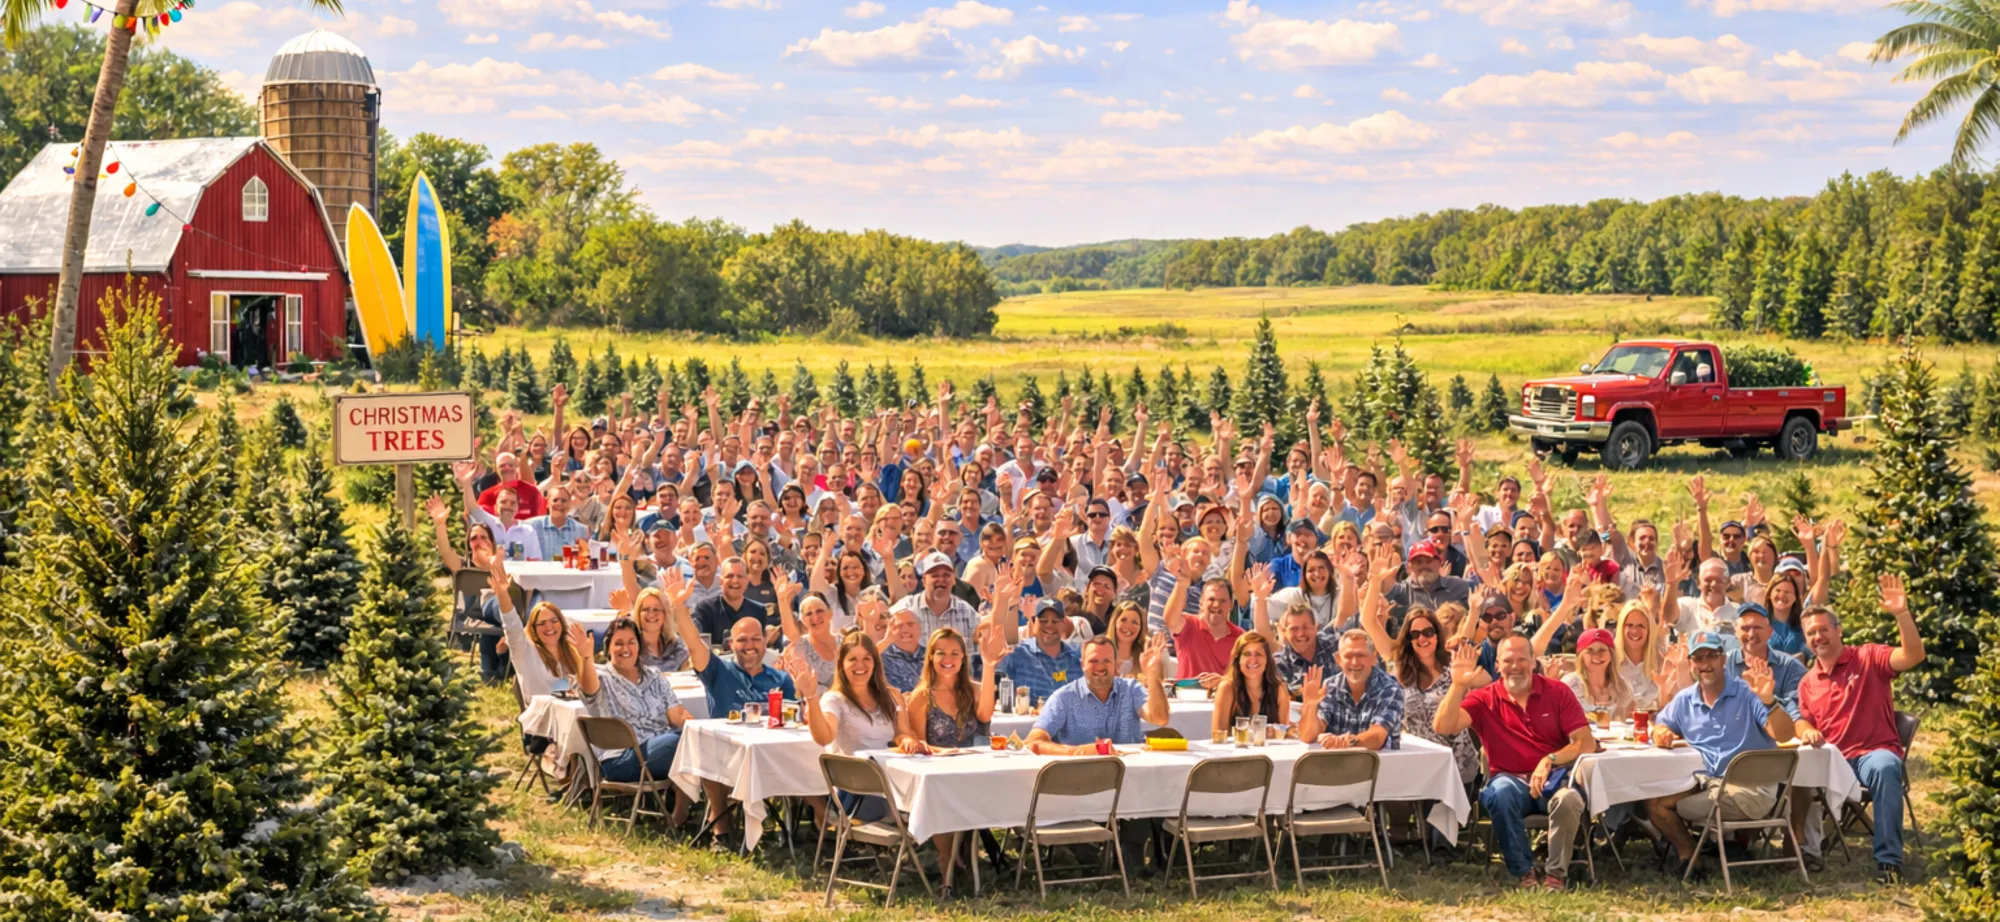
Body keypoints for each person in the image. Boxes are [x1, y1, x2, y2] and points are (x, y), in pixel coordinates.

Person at [1434, 636, 1597, 890]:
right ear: (1497, 665)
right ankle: (1524, 872)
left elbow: (1585, 743)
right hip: (1509, 779)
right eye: (1508, 660)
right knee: (1500, 793)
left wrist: (1550, 759)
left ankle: (1556, 875)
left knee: (1570, 799)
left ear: (1534, 661)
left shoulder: (1557, 691)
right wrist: (1457, 685)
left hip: (1553, 777)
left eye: (1522, 659)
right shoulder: (1484, 698)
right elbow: (1443, 725)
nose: (1516, 665)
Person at [1792, 575, 1925, 883]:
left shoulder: (1867, 657)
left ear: (1838, 631)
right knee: (1792, 769)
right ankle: (1803, 852)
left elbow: (1914, 656)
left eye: (1824, 629)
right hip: (1832, 760)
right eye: (1811, 633)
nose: (1818, 637)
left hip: (1871, 754)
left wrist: (1902, 615)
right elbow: (1803, 719)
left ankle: (1888, 863)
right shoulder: (1807, 682)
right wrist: (1804, 730)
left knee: (1886, 766)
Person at [1645, 630, 1795, 880]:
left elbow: (1783, 734)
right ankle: (1690, 857)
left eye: (1712, 656)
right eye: (1698, 657)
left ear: (1723, 659)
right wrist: (1661, 732)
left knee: (1672, 805)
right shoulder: (1685, 700)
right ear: (1692, 663)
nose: (1705, 664)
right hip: (1710, 784)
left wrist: (1769, 701)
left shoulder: (1749, 692)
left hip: (1753, 790)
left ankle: (1692, 861)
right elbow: (1660, 724)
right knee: (1653, 802)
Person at [668, 570, 796, 841]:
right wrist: (678, 606)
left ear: (764, 642)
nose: (749, 645)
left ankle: (822, 827)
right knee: (711, 750)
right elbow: (692, 644)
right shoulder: (718, 671)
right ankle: (721, 828)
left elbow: (793, 719)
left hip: (772, 756)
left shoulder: (781, 678)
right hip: (728, 757)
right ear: (730, 643)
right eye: (742, 640)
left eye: (756, 639)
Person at [895, 625, 1005, 881]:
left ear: (964, 659)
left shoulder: (974, 689)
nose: (948, 660)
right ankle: (946, 858)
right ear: (931, 657)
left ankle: (966, 854)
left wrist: (989, 665)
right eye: (941, 653)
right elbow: (919, 741)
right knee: (942, 790)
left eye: (955, 653)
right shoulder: (922, 696)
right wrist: (945, 752)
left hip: (974, 767)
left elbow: (985, 715)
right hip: (939, 768)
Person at [579, 616, 692, 825]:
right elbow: (588, 688)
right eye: (618, 643)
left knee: (695, 737)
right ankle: (683, 812)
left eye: (631, 642)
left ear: (639, 646)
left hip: (659, 750)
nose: (625, 648)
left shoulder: (655, 676)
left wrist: (692, 724)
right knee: (681, 742)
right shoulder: (601, 676)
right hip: (621, 758)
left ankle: (684, 811)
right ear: (608, 649)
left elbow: (675, 712)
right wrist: (586, 658)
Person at [791, 633, 900, 823]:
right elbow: (824, 737)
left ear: (875, 663)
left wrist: (907, 740)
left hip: (892, 779)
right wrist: (811, 697)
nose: (861, 665)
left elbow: (903, 734)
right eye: (853, 659)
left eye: (867, 658)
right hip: (856, 792)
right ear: (841, 664)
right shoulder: (834, 699)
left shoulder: (888, 698)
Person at [1025, 632, 1170, 753]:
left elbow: (1160, 718)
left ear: (1116, 664)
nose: (1100, 667)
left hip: (1130, 776)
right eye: (1093, 661)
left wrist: (1152, 675)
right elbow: (1033, 741)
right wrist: (1078, 752)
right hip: (1081, 778)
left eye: (1106, 661)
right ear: (1082, 664)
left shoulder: (1131, 689)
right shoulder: (1064, 698)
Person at [1298, 630, 1404, 750]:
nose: (1354, 662)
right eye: (1348, 656)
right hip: (1337, 765)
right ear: (1338, 659)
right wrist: (1310, 705)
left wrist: (1346, 742)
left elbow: (1377, 737)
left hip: (1381, 766)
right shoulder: (1331, 686)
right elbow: (1308, 736)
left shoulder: (1390, 688)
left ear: (1374, 657)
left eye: (1361, 655)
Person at [1160, 549, 1244, 686]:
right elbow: (1170, 619)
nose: (1216, 604)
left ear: (1231, 605)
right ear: (1201, 603)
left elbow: (1245, 676)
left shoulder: (1240, 637)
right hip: (1187, 700)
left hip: (1223, 700)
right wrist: (1181, 585)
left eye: (1222, 601)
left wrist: (1222, 681)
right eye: (1211, 599)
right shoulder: (1188, 625)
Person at [999, 597, 1086, 705]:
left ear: (1064, 624)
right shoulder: (1016, 654)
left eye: (1055, 621)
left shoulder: (1078, 657)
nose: (1049, 625)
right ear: (1034, 622)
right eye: (1043, 621)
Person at [1211, 631, 1292, 737]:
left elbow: (1283, 734)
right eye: (1247, 654)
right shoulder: (1227, 688)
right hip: (1236, 752)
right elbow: (1218, 735)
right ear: (1238, 659)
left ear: (1267, 659)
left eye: (1258, 654)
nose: (1253, 660)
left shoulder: (1279, 689)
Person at [893, 552, 982, 642]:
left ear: (954, 580)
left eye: (946, 575)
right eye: (935, 576)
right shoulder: (906, 608)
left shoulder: (966, 612)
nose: (941, 580)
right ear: (924, 581)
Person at [692, 558, 772, 648]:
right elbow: (701, 647)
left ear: (747, 580)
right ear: (721, 581)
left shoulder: (759, 610)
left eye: (740, 576)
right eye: (729, 576)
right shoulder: (706, 609)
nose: (735, 581)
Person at [777, 575, 839, 687]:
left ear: (830, 614)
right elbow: (789, 632)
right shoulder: (800, 645)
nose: (815, 617)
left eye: (819, 611)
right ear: (802, 620)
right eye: (808, 613)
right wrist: (782, 600)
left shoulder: (844, 641)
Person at [1563, 628, 1632, 722]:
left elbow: (1627, 723)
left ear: (1611, 654)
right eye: (1590, 650)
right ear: (1581, 656)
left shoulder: (1623, 687)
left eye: (1602, 650)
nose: (1597, 655)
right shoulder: (1568, 685)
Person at [880, 607, 928, 693]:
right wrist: (886, 640)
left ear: (920, 629)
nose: (905, 630)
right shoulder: (881, 656)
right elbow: (865, 657)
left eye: (910, 624)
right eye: (899, 626)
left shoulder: (931, 655)